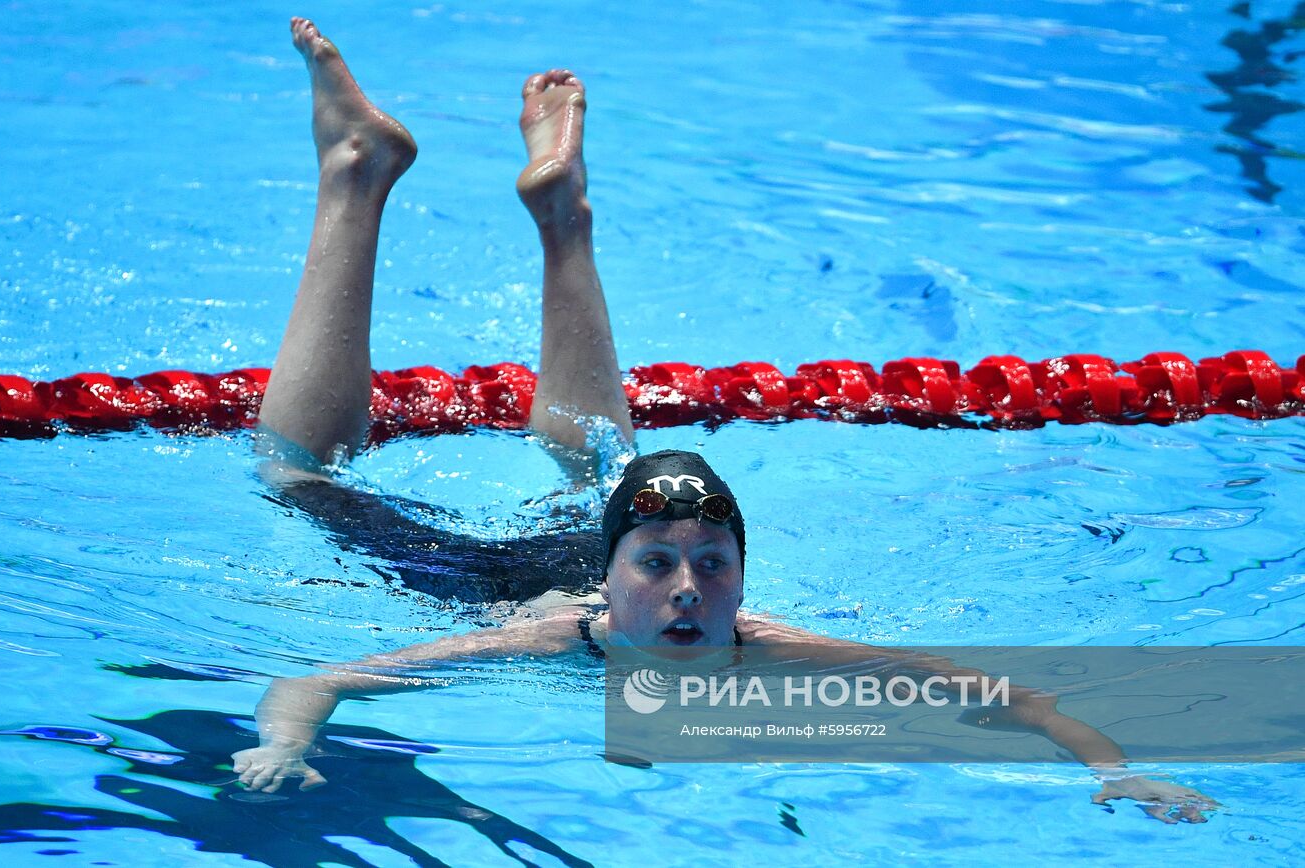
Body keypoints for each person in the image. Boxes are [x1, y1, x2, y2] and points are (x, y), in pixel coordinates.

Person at [233, 17, 1219, 825]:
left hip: (589, 542)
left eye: (710, 563)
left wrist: (1112, 769)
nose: (688, 590)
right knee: (295, 474)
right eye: (661, 564)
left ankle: (470, 190)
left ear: (740, 579)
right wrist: (283, 738)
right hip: (484, 586)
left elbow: (992, 693)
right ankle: (387, 181)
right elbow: (325, 681)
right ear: (617, 580)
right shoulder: (543, 640)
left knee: (589, 470)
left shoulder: (754, 636)